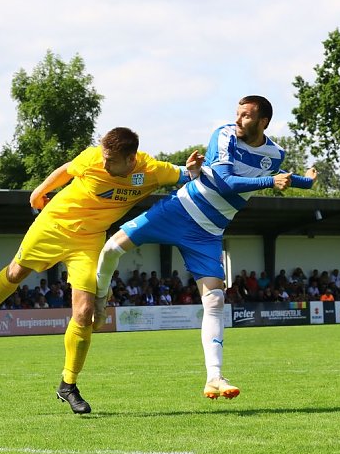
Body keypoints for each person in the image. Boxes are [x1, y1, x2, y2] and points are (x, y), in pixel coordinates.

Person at [0, 126, 202, 414]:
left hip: (88, 242)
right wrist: (40, 192)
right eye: (103, 156)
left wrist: (192, 169)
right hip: (54, 225)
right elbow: (67, 169)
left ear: (130, 159)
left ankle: (67, 385)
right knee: (15, 274)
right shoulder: (92, 158)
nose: (103, 163)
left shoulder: (152, 170)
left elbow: (186, 173)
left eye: (110, 160)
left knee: (84, 312)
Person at [94, 96, 317, 400]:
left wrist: (308, 182)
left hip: (209, 231)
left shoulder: (275, 154)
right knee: (110, 249)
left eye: (247, 116)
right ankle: (99, 298)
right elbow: (224, 182)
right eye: (237, 114)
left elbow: (283, 180)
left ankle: (215, 377)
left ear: (263, 122)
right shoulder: (224, 134)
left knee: (214, 300)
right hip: (181, 209)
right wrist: (269, 180)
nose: (238, 120)